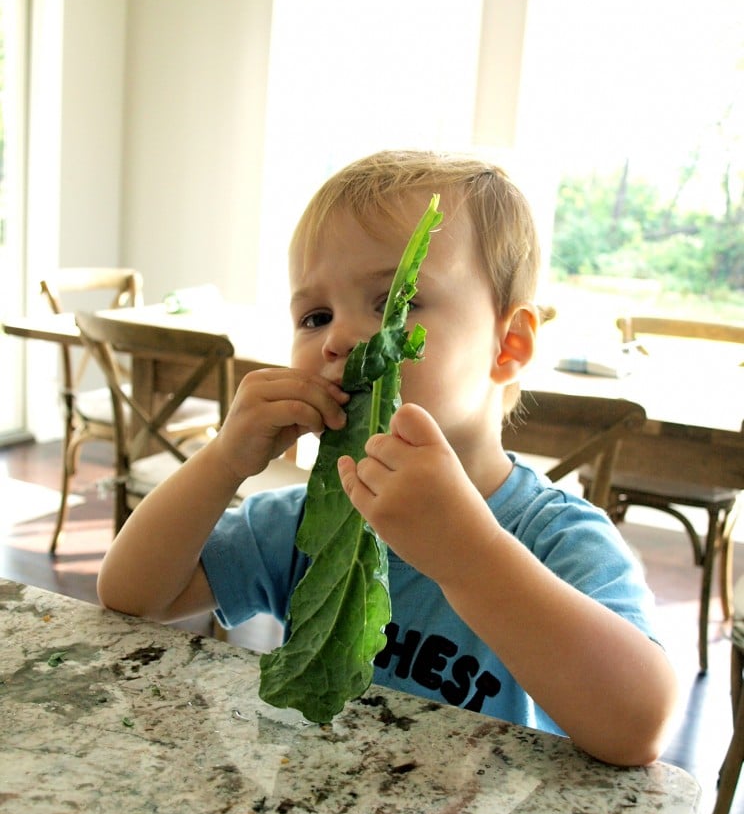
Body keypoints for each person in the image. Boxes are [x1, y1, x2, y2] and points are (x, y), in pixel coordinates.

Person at [97, 149, 677, 766]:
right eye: (314, 316)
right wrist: (220, 462)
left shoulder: (556, 538)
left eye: (393, 303)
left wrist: (468, 554)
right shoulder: (305, 524)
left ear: (507, 345)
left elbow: (637, 726)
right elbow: (132, 594)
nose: (338, 339)